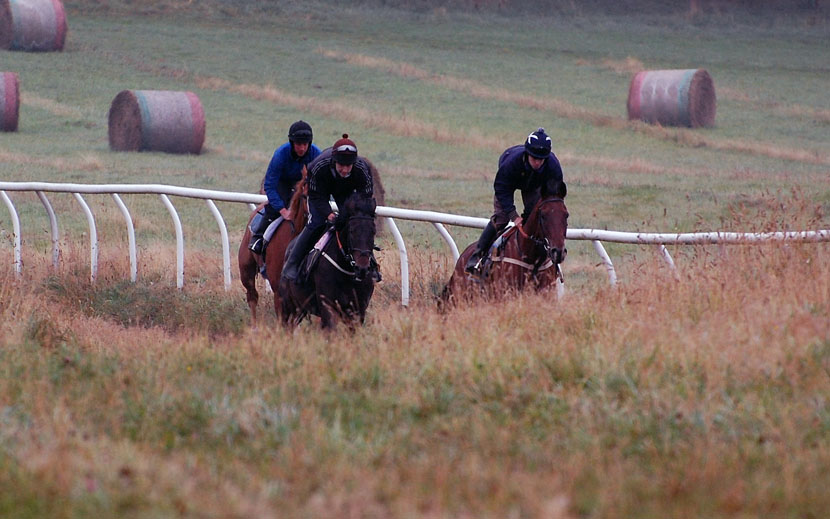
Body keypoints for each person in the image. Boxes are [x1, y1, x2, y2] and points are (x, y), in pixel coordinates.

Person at [465, 127, 564, 273]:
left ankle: (546, 260)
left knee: (537, 218)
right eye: (534, 158)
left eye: (541, 160)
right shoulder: (511, 163)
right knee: (501, 218)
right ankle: (477, 256)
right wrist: (513, 215)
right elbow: (501, 188)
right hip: (509, 182)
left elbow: (554, 197)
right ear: (527, 154)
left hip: (534, 185)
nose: (537, 163)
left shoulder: (553, 167)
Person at [281, 133, 374, 282]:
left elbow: (365, 199)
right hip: (321, 191)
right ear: (333, 161)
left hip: (347, 192)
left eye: (348, 166)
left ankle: (370, 264)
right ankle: (293, 263)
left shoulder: (362, 169)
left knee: (359, 223)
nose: (345, 170)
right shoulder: (318, 167)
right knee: (316, 223)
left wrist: (346, 215)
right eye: (341, 165)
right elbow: (316, 197)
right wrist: (329, 215)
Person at [248, 120, 322, 254]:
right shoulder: (280, 154)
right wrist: (283, 211)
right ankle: (258, 237)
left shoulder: (317, 154)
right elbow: (269, 185)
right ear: (292, 142)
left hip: (306, 184)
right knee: (273, 209)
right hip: (283, 183)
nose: (302, 148)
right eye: (298, 144)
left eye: (305, 144)